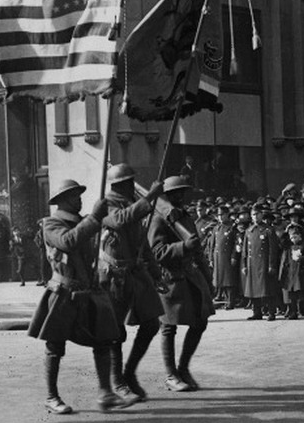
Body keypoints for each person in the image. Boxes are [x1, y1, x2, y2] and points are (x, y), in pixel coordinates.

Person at [27, 179, 132, 413]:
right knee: (55, 345)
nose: (80, 199)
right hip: (63, 292)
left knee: (103, 340)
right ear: (62, 200)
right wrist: (94, 219)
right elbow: (68, 241)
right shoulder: (51, 224)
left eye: (79, 195)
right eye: (74, 196)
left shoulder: (84, 221)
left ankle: (105, 393)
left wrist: (101, 217)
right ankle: (51, 397)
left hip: (88, 292)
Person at [98, 163, 165, 404]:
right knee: (115, 332)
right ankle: (118, 382)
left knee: (151, 324)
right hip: (114, 276)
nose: (131, 187)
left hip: (135, 273)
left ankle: (129, 372)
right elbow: (120, 221)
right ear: (119, 185)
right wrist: (151, 197)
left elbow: (141, 242)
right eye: (129, 183)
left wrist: (156, 273)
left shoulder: (131, 205)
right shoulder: (105, 204)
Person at [147, 176, 214, 392]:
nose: (181, 195)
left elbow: (198, 249)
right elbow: (156, 252)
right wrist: (183, 246)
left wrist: (207, 277)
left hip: (191, 276)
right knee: (168, 327)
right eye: (176, 192)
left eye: (182, 191)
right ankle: (170, 375)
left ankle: (183, 368)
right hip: (169, 278)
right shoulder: (158, 219)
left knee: (200, 321)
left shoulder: (184, 216)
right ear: (166, 195)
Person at [241, 203, 281, 321]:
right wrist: (244, 265)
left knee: (267, 289)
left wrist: (271, 265)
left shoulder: (268, 230)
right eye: (253, 215)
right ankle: (256, 312)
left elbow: (273, 250)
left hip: (264, 264)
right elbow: (245, 250)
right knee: (253, 290)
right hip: (252, 264)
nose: (255, 217)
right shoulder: (249, 231)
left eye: (257, 214)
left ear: (261, 214)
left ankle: (271, 312)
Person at [210, 205, 240, 309]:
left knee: (229, 280)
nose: (220, 217)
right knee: (219, 280)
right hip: (218, 257)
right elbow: (212, 245)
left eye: (222, 215)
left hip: (227, 257)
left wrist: (234, 256)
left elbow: (236, 244)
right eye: (218, 215)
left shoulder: (232, 228)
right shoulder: (216, 228)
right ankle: (222, 300)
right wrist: (211, 258)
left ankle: (230, 301)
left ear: (227, 215)